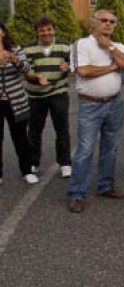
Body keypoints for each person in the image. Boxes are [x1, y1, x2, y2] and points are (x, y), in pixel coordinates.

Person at [67, 10, 124, 213]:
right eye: (103, 20)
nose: (108, 24)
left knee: (110, 148)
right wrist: (112, 67)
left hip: (114, 103)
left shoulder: (118, 46)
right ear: (93, 23)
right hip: (90, 104)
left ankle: (106, 185)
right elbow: (83, 71)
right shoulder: (82, 44)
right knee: (85, 150)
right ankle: (77, 193)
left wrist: (110, 48)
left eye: (112, 21)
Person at [23, 16, 71, 179]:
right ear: (37, 32)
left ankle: (65, 163)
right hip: (35, 95)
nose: (46, 33)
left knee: (62, 129)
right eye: (42, 30)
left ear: (54, 30)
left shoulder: (65, 46)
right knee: (34, 131)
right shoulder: (28, 49)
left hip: (58, 92)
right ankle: (33, 162)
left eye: (49, 29)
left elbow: (73, 65)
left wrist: (68, 67)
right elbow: (26, 72)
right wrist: (36, 78)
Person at [0, 22, 36, 186]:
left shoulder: (15, 49)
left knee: (21, 138)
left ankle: (27, 170)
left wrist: (14, 59)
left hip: (16, 102)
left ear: (3, 32)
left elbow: (26, 68)